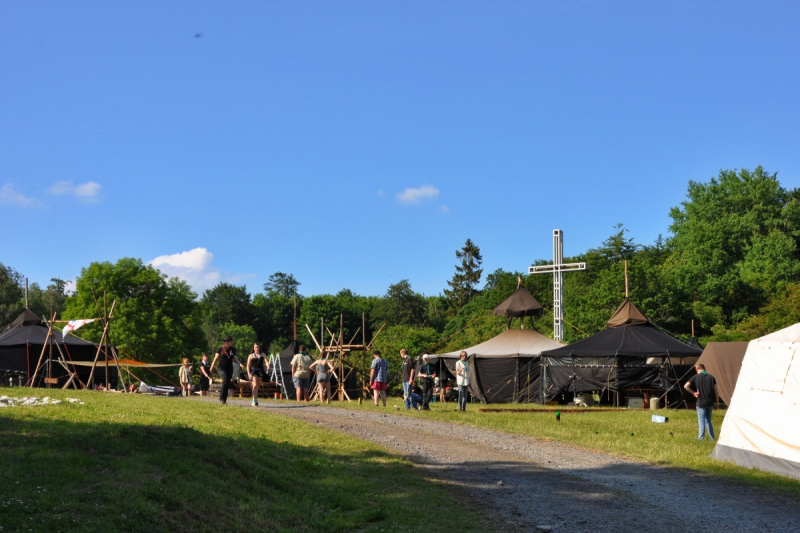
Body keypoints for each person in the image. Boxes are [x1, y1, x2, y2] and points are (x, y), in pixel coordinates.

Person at [684, 363, 720, 441]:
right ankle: (712, 438)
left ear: (697, 369)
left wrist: (693, 393)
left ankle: (701, 438)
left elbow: (686, 386)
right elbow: (716, 391)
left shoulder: (696, 377)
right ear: (704, 369)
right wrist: (717, 403)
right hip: (710, 402)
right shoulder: (712, 377)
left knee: (701, 421)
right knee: (708, 421)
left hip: (700, 402)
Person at [210, 335, 241, 405]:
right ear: (226, 342)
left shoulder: (232, 349)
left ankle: (224, 399)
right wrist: (211, 368)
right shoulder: (220, 349)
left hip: (229, 369)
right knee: (225, 381)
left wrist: (240, 363)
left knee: (227, 383)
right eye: (230, 341)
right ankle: (222, 398)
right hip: (221, 369)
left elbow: (234, 358)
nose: (232, 342)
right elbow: (215, 359)